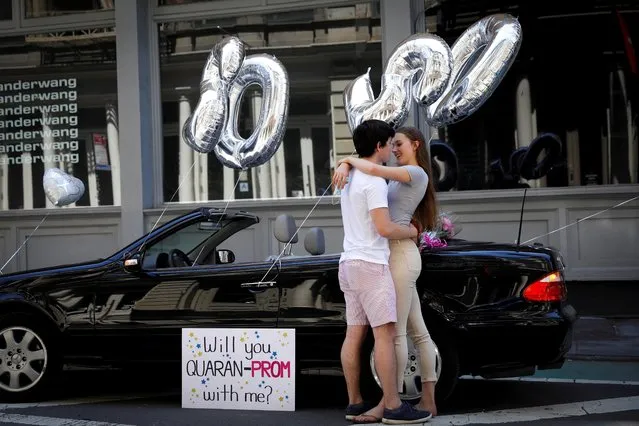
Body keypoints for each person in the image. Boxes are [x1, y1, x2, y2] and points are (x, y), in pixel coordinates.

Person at [333, 125, 440, 420]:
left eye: (400, 144)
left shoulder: (411, 174)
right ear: (379, 145)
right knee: (411, 331)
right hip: (380, 258)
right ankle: (407, 402)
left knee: (396, 334)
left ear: (416, 145)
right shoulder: (373, 177)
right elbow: (383, 216)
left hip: (395, 257)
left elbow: (376, 172)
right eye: (391, 144)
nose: (394, 149)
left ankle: (387, 403)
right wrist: (347, 161)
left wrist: (348, 161)